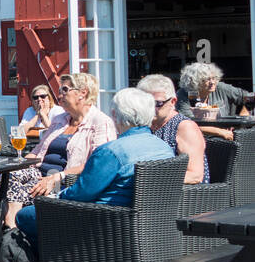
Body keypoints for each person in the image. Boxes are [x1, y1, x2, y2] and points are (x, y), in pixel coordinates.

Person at [15, 88, 174, 242]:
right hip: (148, 229)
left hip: (99, 226)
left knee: (24, 216)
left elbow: (81, 194)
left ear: (115, 116)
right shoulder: (164, 148)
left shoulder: (112, 152)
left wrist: (54, 198)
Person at [4, 72, 117, 228]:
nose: (58, 95)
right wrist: (19, 163)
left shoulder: (100, 122)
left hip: (64, 182)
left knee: (3, 193)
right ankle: (12, 227)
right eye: (59, 91)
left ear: (82, 93)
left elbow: (97, 164)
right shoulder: (59, 120)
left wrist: (57, 176)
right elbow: (38, 151)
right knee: (8, 176)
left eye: (64, 90)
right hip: (39, 174)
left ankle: (10, 229)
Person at [139, 74, 208, 184]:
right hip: (151, 192)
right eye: (144, 103)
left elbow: (195, 175)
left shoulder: (184, 127)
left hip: (182, 195)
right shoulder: (144, 124)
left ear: (172, 102)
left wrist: (149, 177)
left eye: (157, 103)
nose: (150, 108)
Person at [179, 61, 253, 140]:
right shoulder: (183, 95)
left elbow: (249, 98)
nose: (213, 82)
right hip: (195, 139)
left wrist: (242, 120)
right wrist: (219, 132)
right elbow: (187, 123)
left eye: (213, 78)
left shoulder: (221, 88)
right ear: (195, 82)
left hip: (225, 141)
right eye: (207, 79)